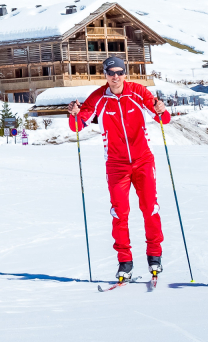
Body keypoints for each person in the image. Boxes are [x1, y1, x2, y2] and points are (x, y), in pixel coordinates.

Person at [68, 56, 172, 283]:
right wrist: (74, 114)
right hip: (116, 164)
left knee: (150, 208)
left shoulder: (138, 92)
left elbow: (163, 118)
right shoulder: (98, 98)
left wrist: (162, 109)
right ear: (104, 74)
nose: (115, 77)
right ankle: (125, 261)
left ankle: (155, 256)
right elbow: (78, 125)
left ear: (125, 73)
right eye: (110, 73)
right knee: (119, 212)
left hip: (143, 160)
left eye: (119, 72)